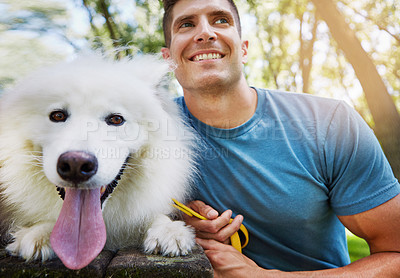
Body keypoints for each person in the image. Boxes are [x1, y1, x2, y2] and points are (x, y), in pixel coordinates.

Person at [160, 0, 400, 276]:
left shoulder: (330, 123)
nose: (205, 33)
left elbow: (395, 254)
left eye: (220, 20)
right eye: (187, 24)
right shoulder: (146, 131)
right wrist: (172, 215)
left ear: (244, 49)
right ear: (167, 59)